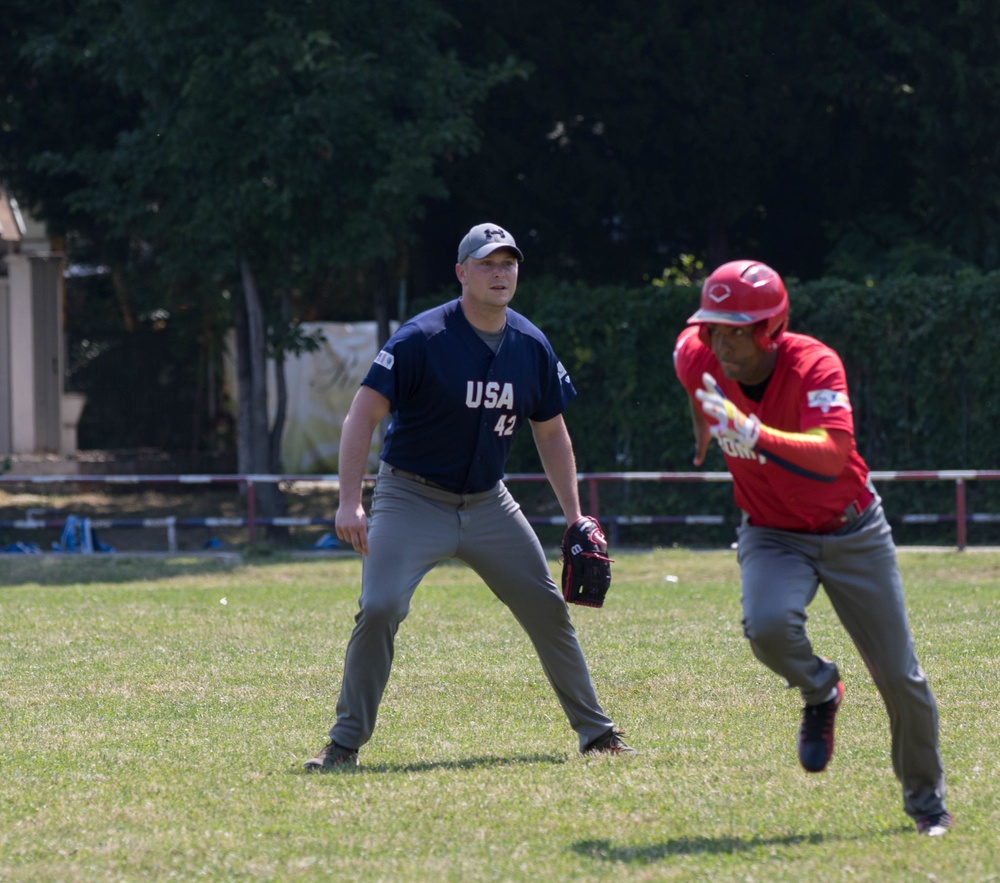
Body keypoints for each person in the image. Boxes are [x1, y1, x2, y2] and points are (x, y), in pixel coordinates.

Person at [304, 222, 635, 770]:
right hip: (411, 497)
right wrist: (349, 501)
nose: (499, 272)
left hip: (488, 503)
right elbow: (363, 413)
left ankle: (597, 733)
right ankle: (344, 744)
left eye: (508, 263)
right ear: (462, 273)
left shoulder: (529, 343)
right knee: (381, 606)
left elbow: (550, 431)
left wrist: (576, 517)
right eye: (486, 263)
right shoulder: (421, 338)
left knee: (547, 608)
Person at [672, 259, 951, 837]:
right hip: (772, 532)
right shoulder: (698, 354)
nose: (720, 341)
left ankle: (926, 803)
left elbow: (830, 454)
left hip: (851, 529)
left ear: (770, 329)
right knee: (768, 626)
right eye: (712, 327)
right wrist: (704, 429)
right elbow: (688, 370)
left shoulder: (814, 363)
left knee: (900, 678)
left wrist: (750, 433)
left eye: (735, 329)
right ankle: (820, 689)